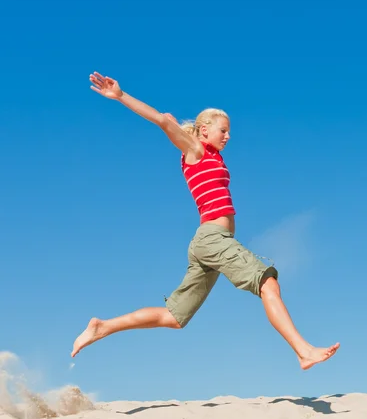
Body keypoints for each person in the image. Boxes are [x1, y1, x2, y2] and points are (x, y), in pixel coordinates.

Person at [71, 72, 340, 369]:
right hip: (213, 239)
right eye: (222, 130)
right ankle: (303, 351)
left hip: (207, 245)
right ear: (203, 130)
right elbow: (162, 120)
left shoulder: (213, 157)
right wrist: (121, 96)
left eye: (229, 131)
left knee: (173, 317)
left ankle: (103, 326)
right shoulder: (196, 151)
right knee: (267, 282)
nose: (228, 136)